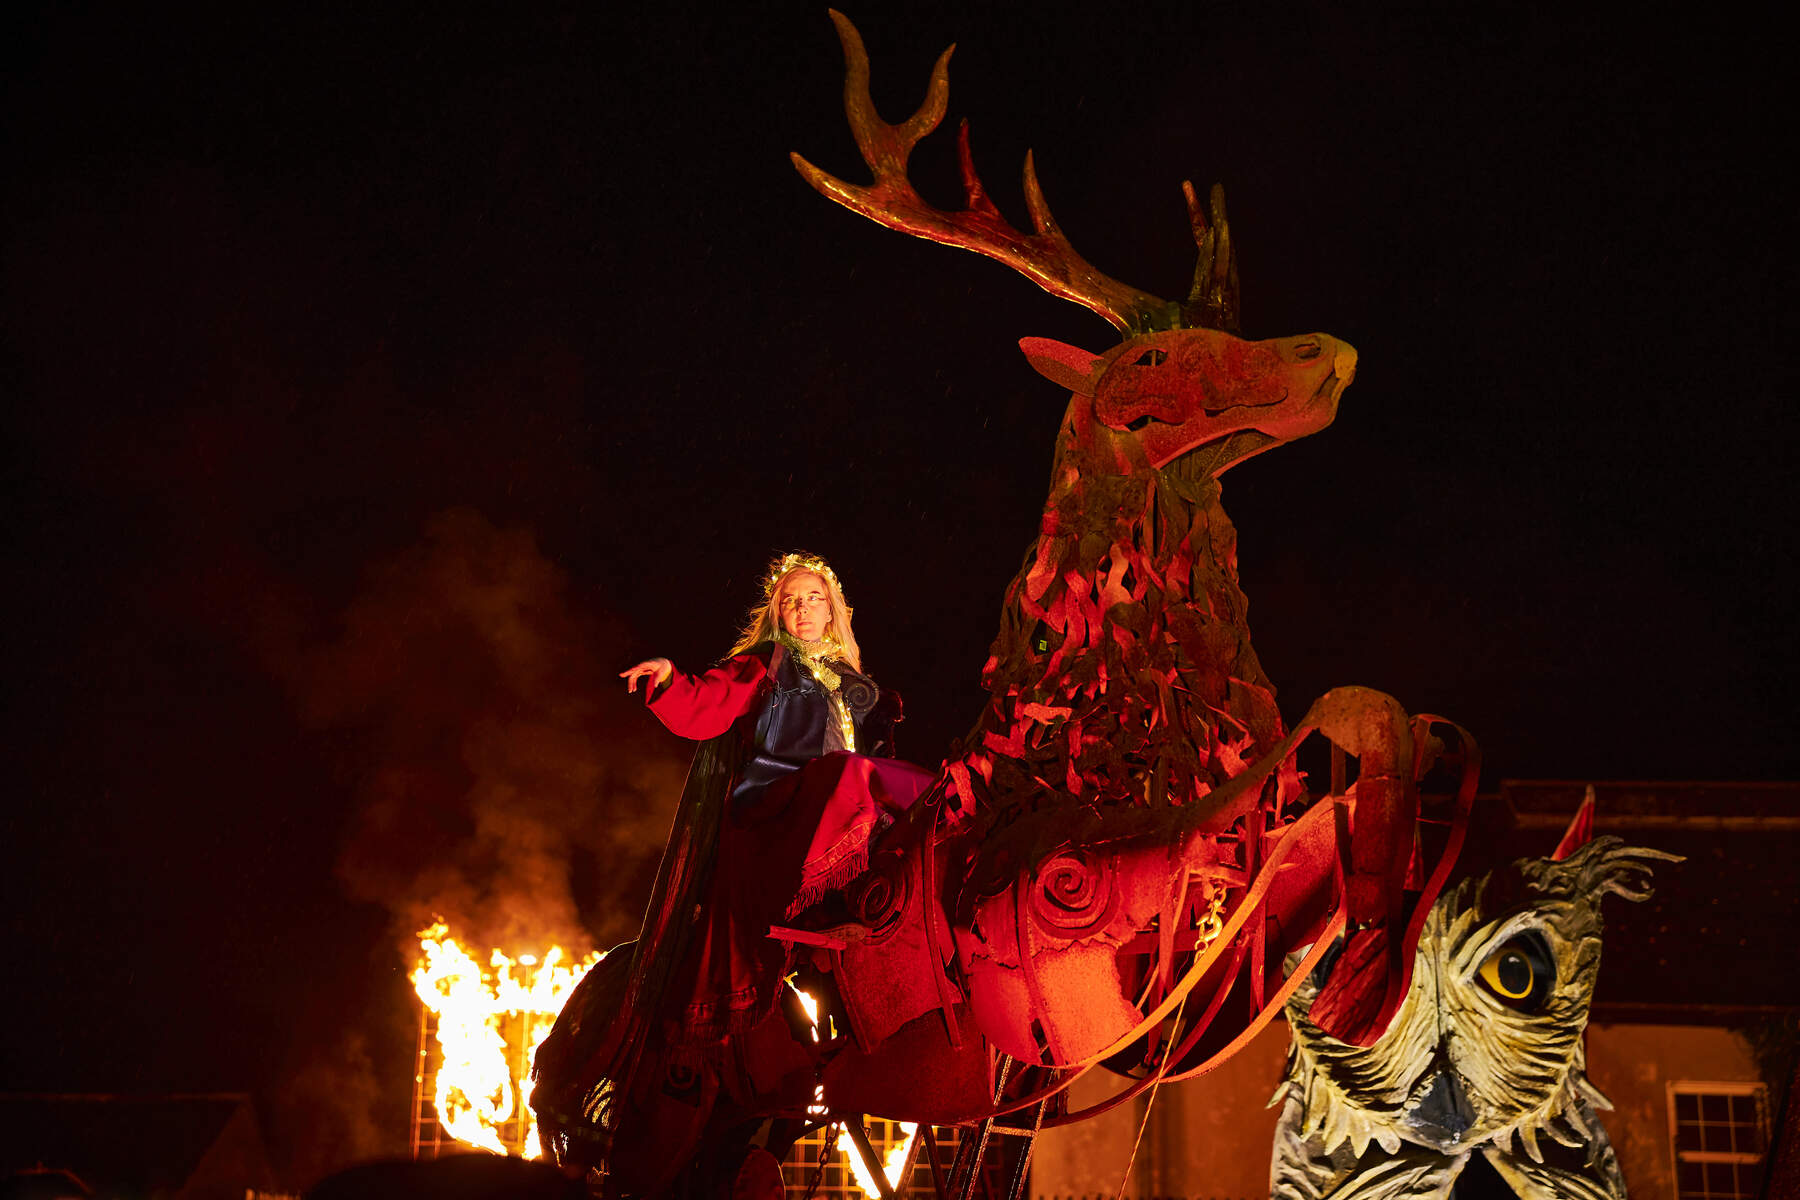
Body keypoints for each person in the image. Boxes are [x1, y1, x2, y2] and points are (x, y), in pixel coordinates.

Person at [532, 552, 933, 1169]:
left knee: (922, 786)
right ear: (778, 614)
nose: (803, 609)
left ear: (833, 610)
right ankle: (827, 877)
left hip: (843, 804)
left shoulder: (854, 685)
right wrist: (671, 679)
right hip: (780, 806)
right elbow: (711, 699)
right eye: (791, 601)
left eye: (813, 599)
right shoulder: (766, 664)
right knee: (851, 775)